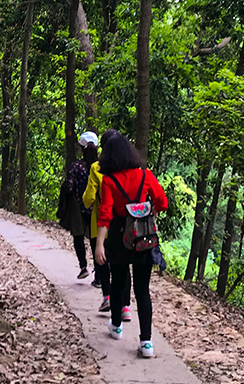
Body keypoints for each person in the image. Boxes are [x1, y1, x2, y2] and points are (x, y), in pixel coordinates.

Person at [94, 132, 168, 359]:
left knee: (118, 283)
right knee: (142, 289)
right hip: (144, 238)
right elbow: (162, 201)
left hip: (118, 238)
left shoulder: (109, 180)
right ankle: (146, 343)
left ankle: (116, 326)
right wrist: (149, 214)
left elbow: (105, 214)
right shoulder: (145, 175)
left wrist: (99, 245)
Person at [82, 129, 130, 319]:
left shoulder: (97, 167)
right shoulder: (128, 168)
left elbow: (89, 197)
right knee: (124, 265)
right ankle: (125, 306)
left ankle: (108, 296)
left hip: (99, 222)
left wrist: (86, 203)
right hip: (122, 223)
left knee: (101, 260)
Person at [57, 132, 98, 279]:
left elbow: (68, 186)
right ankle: (99, 273)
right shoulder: (101, 167)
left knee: (78, 236)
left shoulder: (76, 167)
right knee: (95, 239)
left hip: (79, 207)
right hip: (96, 208)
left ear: (81, 149)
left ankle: (83, 266)